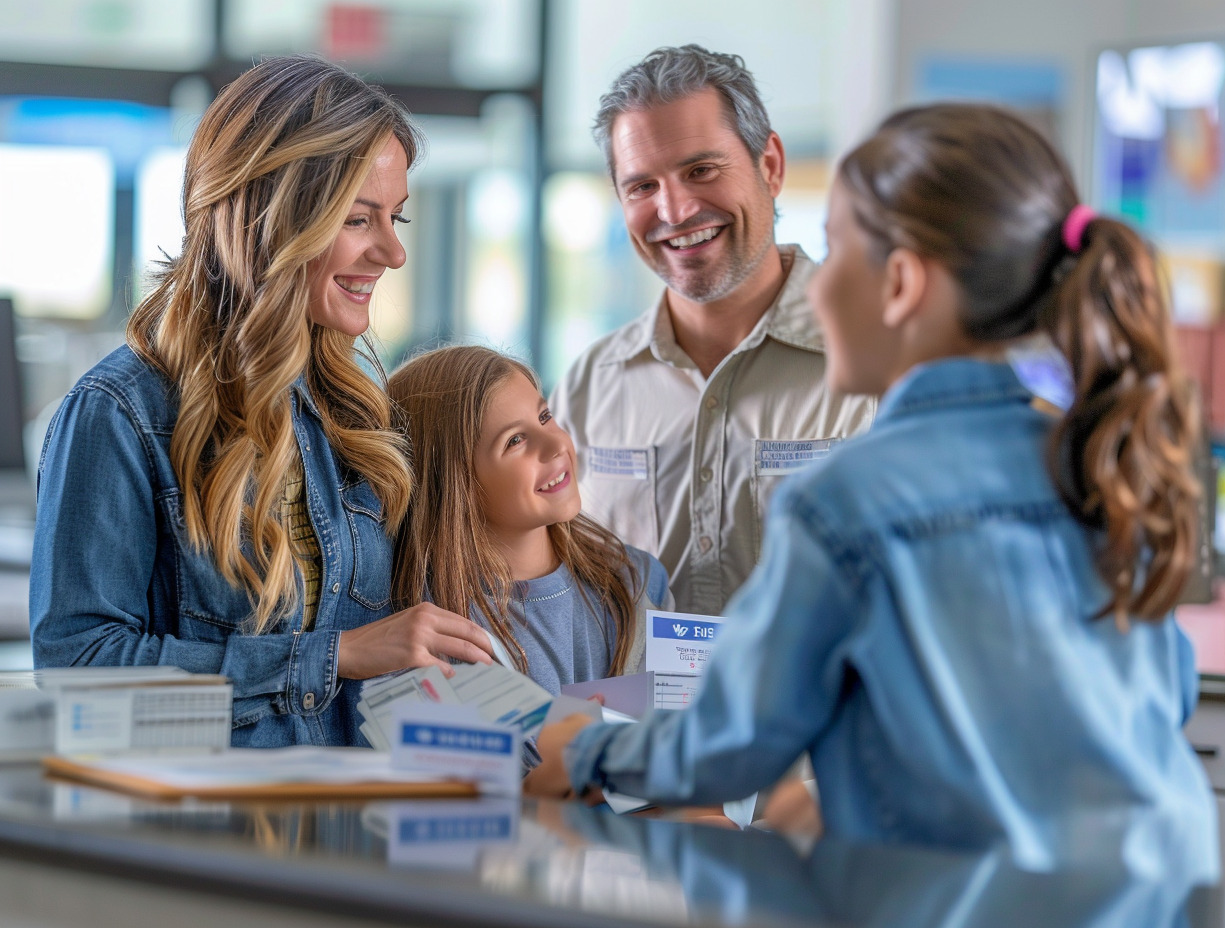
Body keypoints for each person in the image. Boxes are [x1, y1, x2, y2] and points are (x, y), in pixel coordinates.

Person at [527, 103, 1219, 877]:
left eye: (835, 253)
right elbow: (1162, 699)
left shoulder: (848, 501)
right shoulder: (1098, 460)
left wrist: (583, 751)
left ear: (899, 284)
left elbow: (729, 746)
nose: (816, 292)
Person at [29, 56, 493, 748]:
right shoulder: (120, 413)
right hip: (209, 837)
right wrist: (333, 656)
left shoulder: (356, 419)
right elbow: (79, 667)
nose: (393, 253)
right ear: (271, 217)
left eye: (396, 218)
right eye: (359, 219)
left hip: (349, 832)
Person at [550, 44, 876, 615]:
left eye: (701, 170)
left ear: (770, 165)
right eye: (642, 186)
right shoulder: (588, 387)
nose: (674, 211)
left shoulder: (880, 357)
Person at [386, 345, 672, 695]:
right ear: (453, 486)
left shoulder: (639, 586)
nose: (555, 446)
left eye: (544, 416)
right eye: (515, 441)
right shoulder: (425, 630)